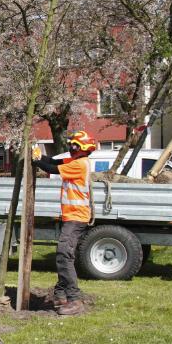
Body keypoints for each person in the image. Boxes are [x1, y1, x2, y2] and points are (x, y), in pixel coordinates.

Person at [32, 130, 98, 316]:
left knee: (64, 255)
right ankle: (61, 294)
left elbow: (51, 170)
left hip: (76, 217)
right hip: (73, 217)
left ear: (80, 147)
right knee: (64, 255)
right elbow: (54, 162)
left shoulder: (79, 165)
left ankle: (74, 299)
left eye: (73, 145)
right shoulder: (77, 162)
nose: (70, 147)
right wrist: (39, 154)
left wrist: (35, 160)